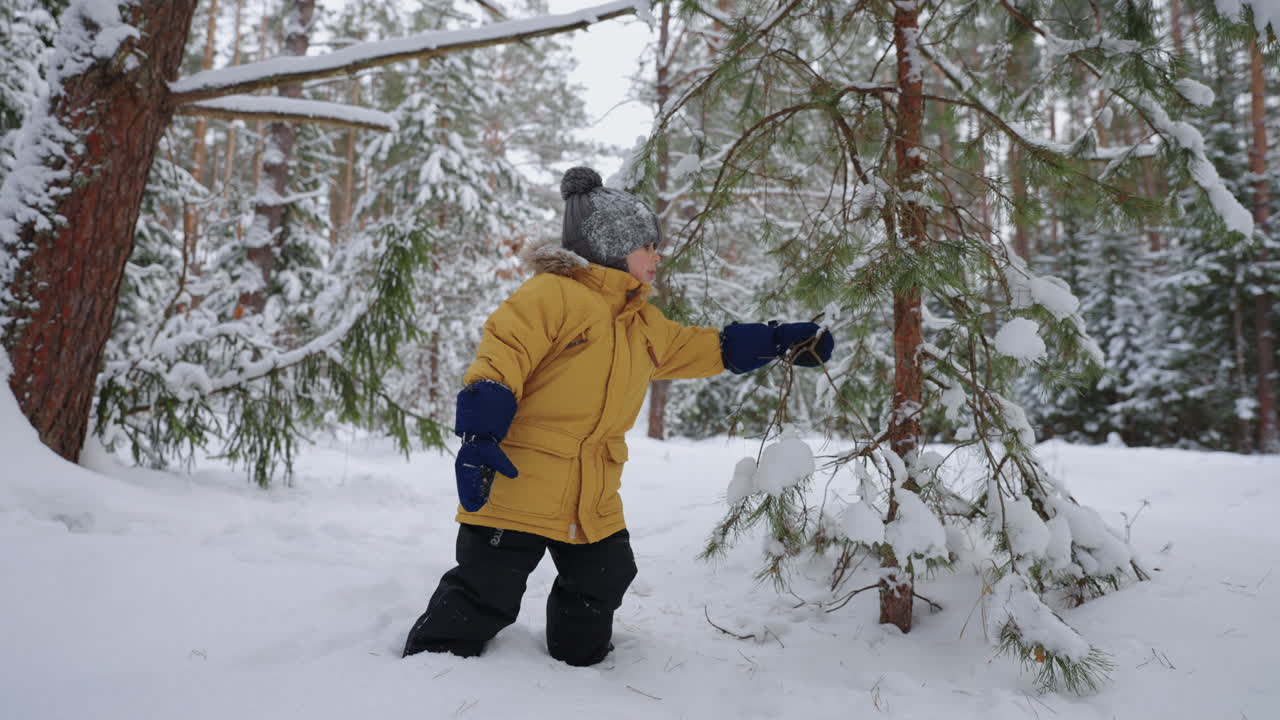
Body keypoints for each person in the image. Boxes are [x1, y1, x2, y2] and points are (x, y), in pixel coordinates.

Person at [402, 166, 834, 667]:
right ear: (612, 246)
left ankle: (579, 660)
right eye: (647, 246)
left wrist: (781, 340)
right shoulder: (552, 296)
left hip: (593, 488)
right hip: (519, 475)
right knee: (487, 586)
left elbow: (707, 347)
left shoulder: (641, 323)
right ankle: (434, 666)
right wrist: (479, 433)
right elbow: (502, 357)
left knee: (605, 574)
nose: (657, 256)